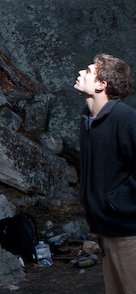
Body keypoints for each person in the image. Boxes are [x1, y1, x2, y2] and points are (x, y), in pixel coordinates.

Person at [74, 53, 136, 294]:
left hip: (129, 232)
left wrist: (118, 202)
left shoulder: (125, 119)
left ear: (102, 85)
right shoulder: (88, 119)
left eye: (89, 71)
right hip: (107, 229)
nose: (81, 72)